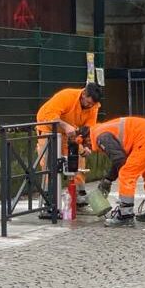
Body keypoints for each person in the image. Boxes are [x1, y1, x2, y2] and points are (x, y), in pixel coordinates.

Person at [80, 116, 145, 228]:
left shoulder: (100, 137)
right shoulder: (103, 129)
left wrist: (108, 180)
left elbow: (120, 161)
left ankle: (125, 216)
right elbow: (119, 157)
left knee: (127, 173)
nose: (88, 149)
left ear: (87, 139)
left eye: (86, 146)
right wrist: (108, 179)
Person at [36, 84, 103, 215]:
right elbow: (50, 115)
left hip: (70, 132)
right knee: (49, 161)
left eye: (92, 104)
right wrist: (65, 126)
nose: (89, 106)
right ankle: (49, 200)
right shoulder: (66, 96)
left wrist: (87, 146)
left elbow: (89, 128)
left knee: (79, 158)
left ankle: (79, 197)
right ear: (83, 94)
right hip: (47, 128)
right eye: (88, 102)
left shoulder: (94, 106)